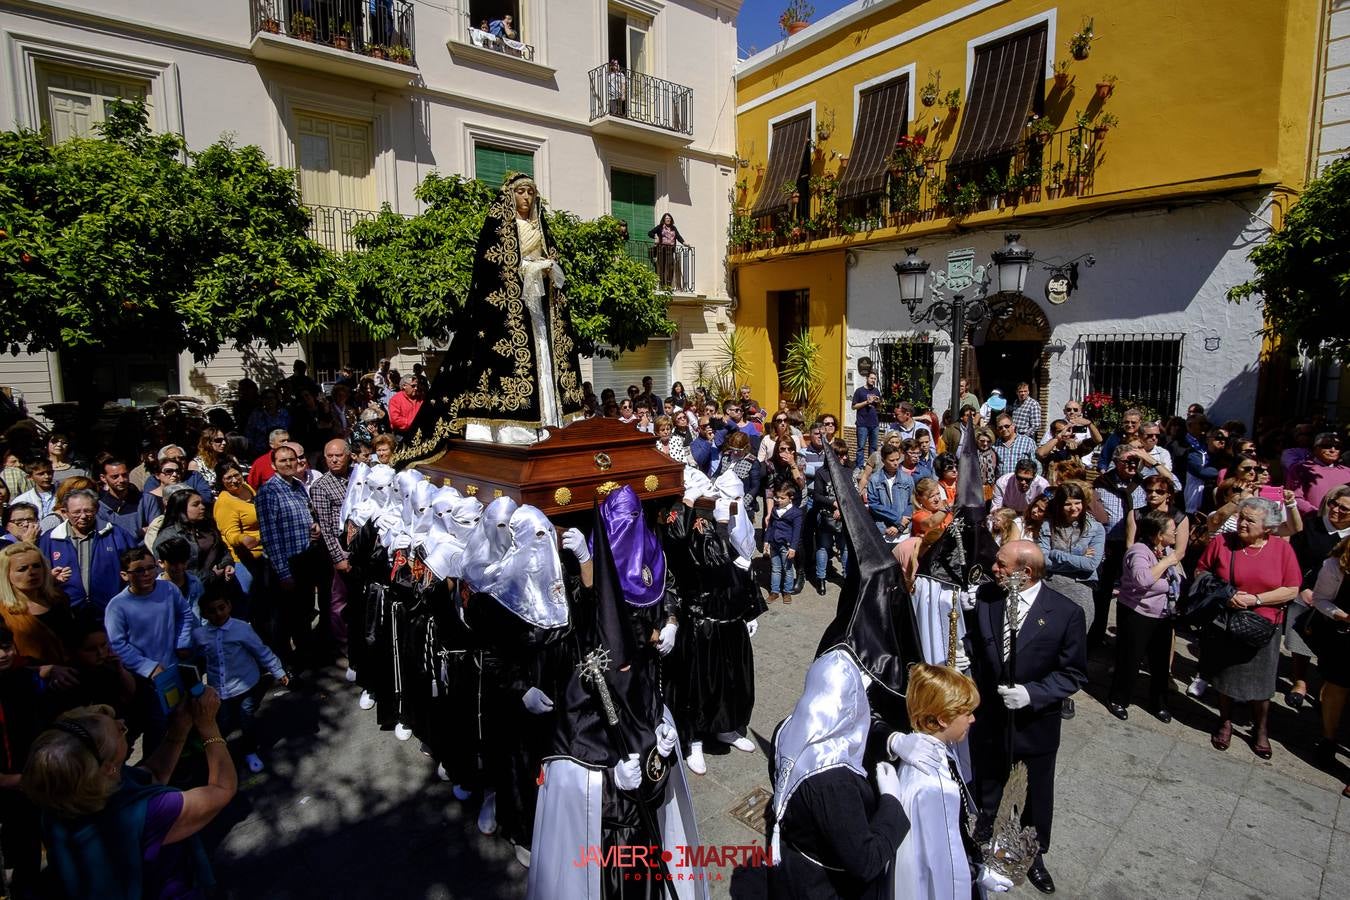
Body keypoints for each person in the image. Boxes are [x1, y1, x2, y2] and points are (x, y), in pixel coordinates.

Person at [410, 173, 584, 455]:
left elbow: (552, 265)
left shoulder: (540, 227)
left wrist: (548, 268)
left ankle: (552, 422)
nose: (526, 197)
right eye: (521, 192)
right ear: (510, 196)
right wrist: (528, 268)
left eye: (530, 192)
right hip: (509, 311)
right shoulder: (500, 228)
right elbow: (492, 270)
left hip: (539, 307)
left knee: (544, 355)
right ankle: (516, 430)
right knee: (511, 363)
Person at [21, 693, 236, 899]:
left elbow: (151, 775)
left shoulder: (62, 799)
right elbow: (221, 790)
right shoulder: (149, 813)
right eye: (119, 730)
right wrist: (208, 726)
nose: (122, 723)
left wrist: (179, 729)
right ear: (108, 769)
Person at [963, 540, 1087, 895]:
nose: (994, 570)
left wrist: (1032, 693)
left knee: (1034, 793)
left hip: (1035, 725)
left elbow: (1073, 674)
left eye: (1002, 565)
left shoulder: (1065, 614)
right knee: (989, 778)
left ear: (1025, 572)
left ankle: (1033, 855)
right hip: (989, 717)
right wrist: (965, 662)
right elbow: (976, 639)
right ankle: (985, 831)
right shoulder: (989, 596)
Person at [770, 647, 910, 900]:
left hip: (792, 862)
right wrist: (892, 802)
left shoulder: (786, 728)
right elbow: (865, 861)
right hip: (823, 884)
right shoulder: (834, 784)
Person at [892, 663, 1013, 899]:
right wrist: (976, 871)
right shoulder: (934, 785)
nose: (973, 719)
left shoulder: (938, 750)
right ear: (943, 719)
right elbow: (943, 861)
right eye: (966, 713)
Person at [1198, 498, 1301, 759]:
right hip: (1227, 621)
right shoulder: (1223, 542)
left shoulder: (1281, 549)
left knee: (1262, 682)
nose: (1242, 523)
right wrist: (1226, 594)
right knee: (1225, 676)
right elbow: (1201, 572)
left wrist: (1255, 600)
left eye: (1250, 520)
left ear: (1268, 527)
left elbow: (1291, 588)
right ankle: (1225, 722)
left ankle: (1261, 729)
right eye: (1242, 517)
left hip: (1264, 624)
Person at [192, 581, 287, 774]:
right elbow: (198, 659)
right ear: (203, 614)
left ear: (229, 606)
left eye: (221, 608)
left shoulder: (242, 628)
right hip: (219, 690)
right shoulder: (200, 635)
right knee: (222, 723)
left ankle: (250, 751)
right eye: (211, 611)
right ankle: (219, 755)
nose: (218, 614)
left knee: (247, 719)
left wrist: (279, 671)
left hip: (245, 685)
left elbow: (261, 651)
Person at [1108, 509, 1184, 722]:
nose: (1176, 535)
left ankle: (1158, 703)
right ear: (1159, 534)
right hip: (1137, 613)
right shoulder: (1139, 552)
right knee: (1130, 659)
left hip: (1162, 615)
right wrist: (1167, 565)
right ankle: (1118, 699)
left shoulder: (1165, 550)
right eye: (1172, 531)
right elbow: (1142, 580)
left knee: (1160, 663)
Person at [254, 444, 321, 668]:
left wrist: (313, 528)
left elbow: (305, 516)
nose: (289, 464)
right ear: (273, 465)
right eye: (283, 461)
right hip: (284, 564)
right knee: (284, 618)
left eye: (292, 459)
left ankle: (306, 657)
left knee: (303, 613)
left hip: (304, 558)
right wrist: (283, 573)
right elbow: (270, 536)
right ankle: (285, 665)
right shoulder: (268, 492)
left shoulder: (299, 486)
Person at [1286, 485, 1350, 711]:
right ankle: (1300, 681)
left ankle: (1328, 686)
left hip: (1338, 599)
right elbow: (1293, 561)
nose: (1337, 511)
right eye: (1334, 504)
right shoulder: (1311, 527)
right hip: (1306, 591)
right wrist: (1302, 587)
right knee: (1300, 615)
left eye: (1345, 509)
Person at [40, 489, 139, 612]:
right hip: (67, 610)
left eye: (88, 511)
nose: (83, 516)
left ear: (96, 509)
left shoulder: (116, 534)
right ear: (65, 513)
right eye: (76, 512)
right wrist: (51, 579)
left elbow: (137, 567)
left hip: (111, 608)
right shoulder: (50, 539)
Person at [1089, 445, 1148, 647]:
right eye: (1127, 461)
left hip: (1135, 545)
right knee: (1102, 592)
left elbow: (1175, 485)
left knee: (1131, 592)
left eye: (1135, 461)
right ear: (1115, 462)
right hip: (1107, 544)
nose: (1133, 465)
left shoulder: (1144, 482)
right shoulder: (1102, 483)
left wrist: (1148, 458)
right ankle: (1096, 635)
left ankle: (1127, 640)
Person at [1305, 537, 1350, 788]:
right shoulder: (1336, 564)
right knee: (1335, 689)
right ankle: (1329, 739)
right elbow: (1320, 600)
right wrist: (1342, 615)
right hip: (1345, 638)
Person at [1038, 481, 1105, 645]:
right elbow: (1043, 561)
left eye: (1077, 503)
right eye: (1068, 504)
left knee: (1075, 640)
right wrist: (1078, 556)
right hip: (1051, 585)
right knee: (1047, 638)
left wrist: (1057, 554)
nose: (1074, 508)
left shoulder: (1095, 528)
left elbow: (1090, 565)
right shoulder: (1048, 525)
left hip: (1080, 588)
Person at [0, 541, 77, 678]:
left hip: (71, 676)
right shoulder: (3, 611)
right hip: (27, 683)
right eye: (22, 569)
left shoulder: (59, 599)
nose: (32, 572)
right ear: (7, 574)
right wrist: (41, 671)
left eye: (36, 566)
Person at [309, 439, 353, 663]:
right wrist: (338, 557)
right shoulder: (321, 486)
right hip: (339, 550)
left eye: (339, 455)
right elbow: (325, 527)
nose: (334, 460)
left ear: (349, 455)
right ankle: (343, 644)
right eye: (329, 456)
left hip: (358, 547)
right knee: (338, 602)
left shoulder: (356, 477)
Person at [152, 489, 233, 585]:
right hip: (189, 591)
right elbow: (175, 572)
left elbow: (222, 550)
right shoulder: (168, 537)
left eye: (202, 503)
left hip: (218, 586)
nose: (202, 507)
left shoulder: (207, 527)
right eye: (195, 505)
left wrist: (227, 564)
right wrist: (211, 576)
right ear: (181, 509)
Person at [1124, 475, 1191, 563]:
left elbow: (1180, 552)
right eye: (1149, 491)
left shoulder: (1179, 517)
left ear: (1168, 494)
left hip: (1170, 562)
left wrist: (1161, 564)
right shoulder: (1135, 514)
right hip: (1139, 560)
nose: (1153, 494)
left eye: (1159, 492)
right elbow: (1130, 545)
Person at [213, 460, 262, 568]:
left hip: (265, 551)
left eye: (236, 475)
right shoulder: (224, 502)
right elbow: (230, 534)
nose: (234, 480)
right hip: (246, 560)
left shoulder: (246, 487)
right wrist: (242, 539)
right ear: (221, 481)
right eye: (228, 478)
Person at [1290, 432, 1350, 518]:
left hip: (1343, 523)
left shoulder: (1347, 472)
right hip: (1312, 523)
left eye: (1337, 447)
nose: (1333, 450)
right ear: (1315, 448)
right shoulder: (1301, 469)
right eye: (1326, 446)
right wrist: (1317, 514)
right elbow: (1295, 497)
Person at [764, 483, 803, 603]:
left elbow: (797, 531)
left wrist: (793, 548)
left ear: (790, 498)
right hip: (774, 543)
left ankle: (787, 591)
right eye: (777, 497)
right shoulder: (775, 509)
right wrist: (766, 541)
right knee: (775, 568)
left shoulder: (796, 512)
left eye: (782, 498)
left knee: (788, 569)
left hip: (786, 546)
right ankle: (774, 591)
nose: (779, 500)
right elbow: (770, 526)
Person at [867, 443, 914, 544]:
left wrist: (899, 526)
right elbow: (874, 505)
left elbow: (912, 503)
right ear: (883, 461)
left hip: (903, 532)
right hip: (884, 531)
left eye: (897, 459)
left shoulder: (907, 479)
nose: (896, 463)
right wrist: (897, 519)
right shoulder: (875, 480)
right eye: (892, 460)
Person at [98, 457, 144, 540]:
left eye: (124, 475)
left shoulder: (145, 500)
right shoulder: (101, 508)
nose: (122, 480)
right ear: (103, 478)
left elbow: (154, 528)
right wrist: (139, 532)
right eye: (115, 477)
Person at [648, 212, 689, 290]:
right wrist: (655, 236)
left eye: (669, 218)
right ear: (664, 219)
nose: (668, 220)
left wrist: (684, 243)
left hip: (670, 250)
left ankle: (669, 285)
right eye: (666, 218)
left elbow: (678, 236)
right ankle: (662, 285)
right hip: (661, 249)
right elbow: (650, 233)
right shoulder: (660, 227)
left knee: (670, 267)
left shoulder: (673, 228)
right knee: (662, 268)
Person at [991, 415, 1037, 480]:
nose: (1004, 429)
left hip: (1022, 483)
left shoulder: (1028, 442)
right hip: (1002, 484)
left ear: (1013, 426)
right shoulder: (995, 444)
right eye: (1000, 427)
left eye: (1007, 426)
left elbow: (1035, 464)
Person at [852, 371, 883, 470]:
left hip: (874, 423)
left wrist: (878, 403)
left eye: (874, 379)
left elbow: (879, 409)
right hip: (862, 423)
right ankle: (859, 466)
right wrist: (867, 402)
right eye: (871, 378)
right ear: (867, 378)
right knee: (861, 447)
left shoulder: (876, 391)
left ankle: (871, 466)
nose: (873, 380)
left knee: (873, 447)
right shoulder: (859, 391)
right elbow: (854, 406)